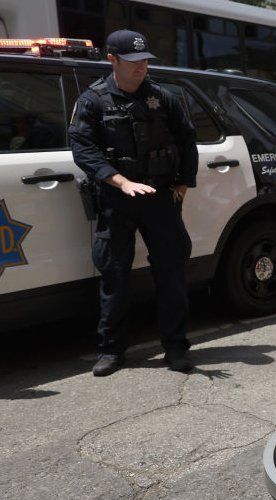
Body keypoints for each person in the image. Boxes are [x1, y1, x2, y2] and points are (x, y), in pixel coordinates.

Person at [69, 30, 197, 377]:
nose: (141, 68)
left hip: (159, 196)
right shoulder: (93, 101)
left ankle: (175, 347)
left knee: (170, 273)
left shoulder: (163, 97)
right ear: (113, 60)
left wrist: (184, 183)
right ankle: (111, 350)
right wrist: (121, 181)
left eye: (144, 61)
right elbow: (83, 148)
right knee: (115, 275)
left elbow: (187, 140)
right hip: (116, 197)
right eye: (133, 62)